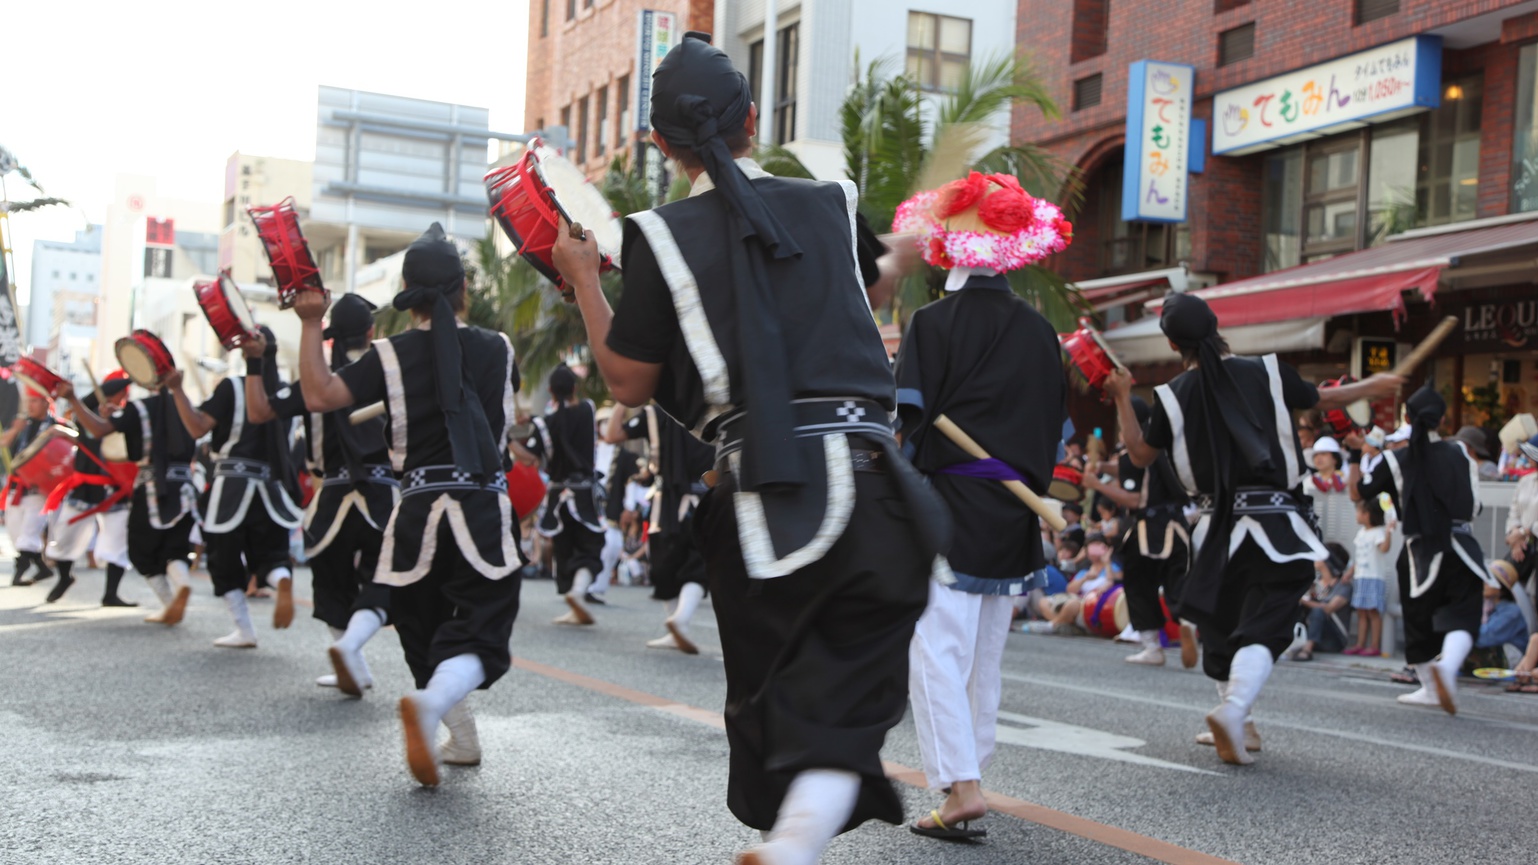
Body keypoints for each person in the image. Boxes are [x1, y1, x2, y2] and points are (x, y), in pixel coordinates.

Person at [548, 31, 948, 865]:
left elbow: (627, 380)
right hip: (871, 480)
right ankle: (796, 843)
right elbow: (862, 283)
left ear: (661, 146)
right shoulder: (832, 201)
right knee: (848, 696)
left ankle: (790, 838)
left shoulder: (657, 237)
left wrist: (586, 279)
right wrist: (903, 257)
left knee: (786, 696)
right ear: (755, 121)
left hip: (756, 495)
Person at [1106, 292, 1399, 765]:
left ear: (1171, 341)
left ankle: (1241, 720)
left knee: (1222, 625)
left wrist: (1122, 396)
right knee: (1267, 621)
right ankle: (1236, 709)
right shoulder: (1267, 371)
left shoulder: (1172, 395)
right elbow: (1322, 398)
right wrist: (1376, 384)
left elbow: (1139, 454)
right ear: (1216, 325)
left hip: (1212, 530)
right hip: (1276, 522)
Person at [292, 224, 523, 788]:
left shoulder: (387, 356)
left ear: (408, 293)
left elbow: (320, 394)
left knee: (421, 628)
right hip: (481, 506)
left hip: (416, 508)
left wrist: (308, 321)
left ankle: (460, 738)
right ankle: (431, 710)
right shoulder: (498, 348)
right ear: (463, 290)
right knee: (481, 633)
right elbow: (504, 439)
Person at [889, 170, 1067, 839]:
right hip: (1017, 508)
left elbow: (910, 426)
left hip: (951, 506)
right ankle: (970, 777)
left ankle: (961, 786)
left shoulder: (931, 324)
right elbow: (1053, 429)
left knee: (936, 648)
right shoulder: (1041, 333)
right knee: (982, 655)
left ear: (950, 246)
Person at [242, 299, 400, 694]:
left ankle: (350, 655)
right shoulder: (392, 374)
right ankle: (353, 652)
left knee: (332, 586)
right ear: (370, 333)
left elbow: (259, 411)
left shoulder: (318, 380)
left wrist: (253, 364)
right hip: (382, 498)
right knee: (387, 581)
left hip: (330, 503)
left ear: (330, 337)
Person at [1361, 386, 1494, 715]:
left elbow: (1362, 490)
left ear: (1407, 417)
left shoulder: (1395, 458)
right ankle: (1447, 667)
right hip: (1462, 545)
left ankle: (1431, 685)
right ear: (1443, 419)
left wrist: (1356, 454)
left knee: (1419, 622)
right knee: (1463, 615)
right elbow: (1474, 508)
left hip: (1419, 551)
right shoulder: (1461, 453)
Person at [168, 326, 303, 649]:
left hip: (231, 484)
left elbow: (198, 426)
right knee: (271, 554)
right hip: (271, 487)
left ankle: (245, 630)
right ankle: (281, 580)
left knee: (223, 559)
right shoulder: (286, 393)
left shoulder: (233, 388)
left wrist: (177, 391)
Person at [71, 347, 197, 626]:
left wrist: (72, 399)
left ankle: (169, 602)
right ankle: (182, 582)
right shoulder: (188, 406)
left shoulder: (139, 409)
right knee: (176, 547)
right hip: (185, 488)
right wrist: (118, 414)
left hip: (150, 486)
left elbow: (98, 429)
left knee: (142, 549)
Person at [1085, 397, 1194, 667]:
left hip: (1149, 531)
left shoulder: (1137, 449)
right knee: (1176, 584)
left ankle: (1152, 647)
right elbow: (1128, 467)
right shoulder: (1161, 444)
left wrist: (1097, 484)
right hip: (1178, 526)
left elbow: (1135, 499)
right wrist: (1102, 467)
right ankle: (1188, 621)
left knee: (1138, 585)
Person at [602, 403, 715, 653]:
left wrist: (622, 401)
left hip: (667, 503)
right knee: (697, 565)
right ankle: (680, 621)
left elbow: (611, 435)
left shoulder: (657, 412)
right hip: (706, 498)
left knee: (665, 565)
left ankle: (678, 621)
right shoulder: (713, 406)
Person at [511, 365, 604, 626]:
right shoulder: (587, 410)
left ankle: (572, 599)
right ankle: (578, 593)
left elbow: (530, 459)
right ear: (575, 388)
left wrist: (511, 440)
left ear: (550, 391)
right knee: (589, 546)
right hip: (584, 493)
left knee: (564, 549)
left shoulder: (543, 424)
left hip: (557, 495)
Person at [44, 373, 136, 605]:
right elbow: (90, 427)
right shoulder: (86, 416)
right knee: (65, 538)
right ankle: (65, 578)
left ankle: (111, 594)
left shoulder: (124, 417)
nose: (124, 398)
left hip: (115, 490)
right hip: (85, 487)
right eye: (121, 394)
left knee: (117, 542)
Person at [3, 388, 57, 586]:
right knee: (16, 533)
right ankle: (42, 568)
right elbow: (4, 442)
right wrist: (16, 429)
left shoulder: (56, 426)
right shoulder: (23, 425)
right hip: (16, 488)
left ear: (46, 402)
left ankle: (18, 574)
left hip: (40, 489)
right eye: (29, 401)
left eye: (35, 401)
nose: (30, 406)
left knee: (29, 532)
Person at [1343, 496, 1394, 657]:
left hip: (1373, 578)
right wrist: (1350, 572)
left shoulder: (1377, 533)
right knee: (1361, 612)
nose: (1356, 515)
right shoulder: (1361, 533)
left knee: (1373, 612)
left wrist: (1388, 532)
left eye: (1358, 512)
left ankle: (1374, 645)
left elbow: (1384, 549)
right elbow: (1359, 557)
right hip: (1360, 577)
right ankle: (1360, 643)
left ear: (1367, 514)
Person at [1292, 544, 1353, 661]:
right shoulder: (1315, 583)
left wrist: (1302, 599)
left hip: (1334, 641)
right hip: (1313, 634)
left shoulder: (1343, 586)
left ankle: (1307, 650)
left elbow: (1328, 609)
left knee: (1318, 610)